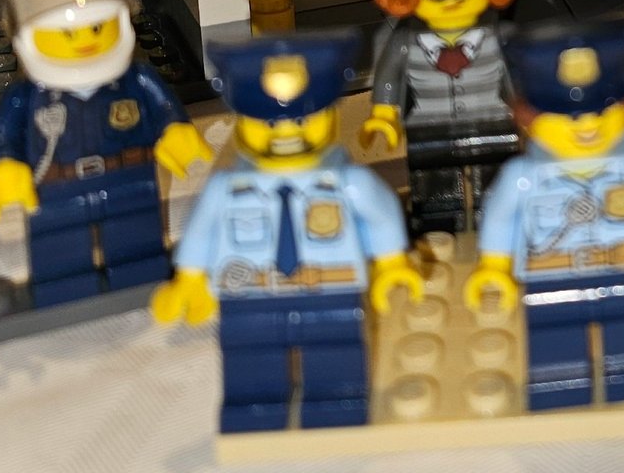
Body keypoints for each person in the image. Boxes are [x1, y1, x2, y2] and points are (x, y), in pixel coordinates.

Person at [152, 32, 422, 433]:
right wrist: (190, 278)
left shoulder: (346, 182)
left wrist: (392, 262)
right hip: (249, 289)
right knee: (250, 355)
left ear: (330, 114)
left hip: (332, 287)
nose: (285, 133)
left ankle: (337, 402)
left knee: (335, 351)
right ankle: (254, 408)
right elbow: (202, 233)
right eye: (267, 122)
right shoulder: (227, 189)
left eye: (300, 119)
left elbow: (381, 216)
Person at [469, 19, 624, 411]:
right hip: (550, 271)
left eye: (602, 111)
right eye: (566, 116)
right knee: (554, 342)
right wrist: (496, 266)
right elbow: (502, 220)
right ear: (528, 117)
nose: (586, 125)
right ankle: (559, 390)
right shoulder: (523, 176)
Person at [0, 0, 211, 307]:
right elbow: (4, 135)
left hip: (130, 177)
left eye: (98, 27)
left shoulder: (138, 79)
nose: (84, 41)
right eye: (66, 33)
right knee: (61, 254)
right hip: (57, 187)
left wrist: (175, 131)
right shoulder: (26, 96)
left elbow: (166, 109)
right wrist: (5, 163)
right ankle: (63, 299)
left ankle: (142, 287)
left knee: (137, 245)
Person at [361, 0, 523, 234]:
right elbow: (389, 77)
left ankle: (498, 223)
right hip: (427, 124)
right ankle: (439, 225)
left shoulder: (500, 36)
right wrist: (384, 113)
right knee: (433, 178)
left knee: (497, 176)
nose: (450, 0)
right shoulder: (405, 40)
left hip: (493, 120)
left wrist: (527, 107)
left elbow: (516, 75)